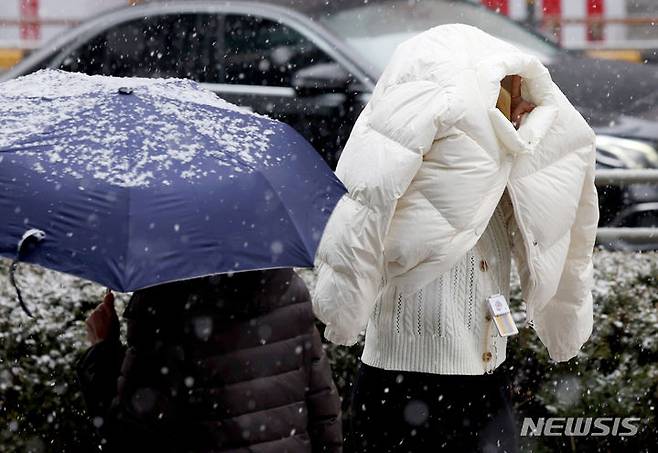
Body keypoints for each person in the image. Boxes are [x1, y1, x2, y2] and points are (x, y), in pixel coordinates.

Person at [312, 24, 599, 453]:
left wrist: (565, 322)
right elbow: (364, 204)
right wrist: (343, 311)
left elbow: (570, 230)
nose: (515, 106)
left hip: (486, 371)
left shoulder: (543, 127)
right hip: (405, 375)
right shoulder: (430, 93)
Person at [77, 268, 343, 453]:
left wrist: (103, 349)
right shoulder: (288, 288)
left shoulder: (161, 305)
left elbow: (130, 439)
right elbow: (324, 416)